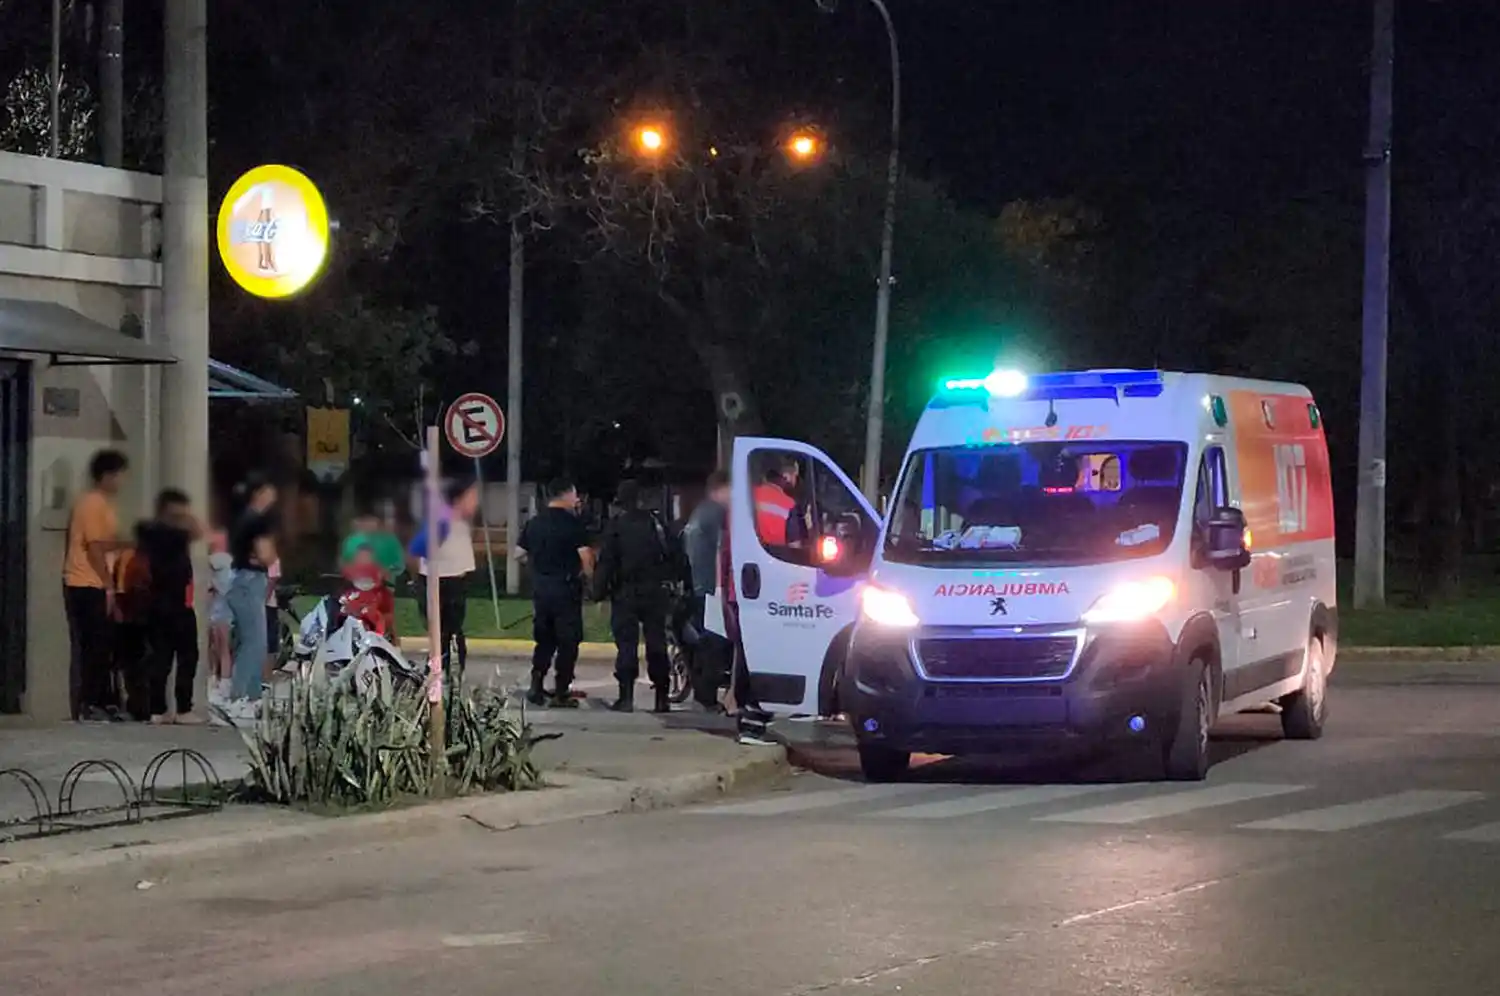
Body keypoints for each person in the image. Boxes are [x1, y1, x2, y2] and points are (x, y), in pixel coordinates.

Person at [594, 480, 678, 713]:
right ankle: (662, 697)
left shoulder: (616, 526)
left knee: (627, 645)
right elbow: (676, 555)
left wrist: (598, 592)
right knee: (657, 643)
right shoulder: (657, 524)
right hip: (655, 592)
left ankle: (626, 697)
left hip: (626, 593)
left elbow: (606, 563)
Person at [63, 450, 129, 722]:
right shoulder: (92, 503)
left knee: (104, 644)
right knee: (94, 644)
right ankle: (90, 703)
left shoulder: (104, 504)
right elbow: (96, 547)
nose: (122, 482)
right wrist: (108, 585)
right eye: (120, 476)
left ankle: (103, 700)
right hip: (86, 582)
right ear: (107, 475)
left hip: (95, 582)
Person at [517, 478, 593, 708]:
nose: (577, 499)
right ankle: (561, 691)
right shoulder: (574, 524)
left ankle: (536, 686)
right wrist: (588, 578)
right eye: (575, 494)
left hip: (542, 589)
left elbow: (518, 554)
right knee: (568, 641)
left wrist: (537, 568)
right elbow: (586, 558)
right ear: (565, 495)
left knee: (544, 639)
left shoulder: (534, 523)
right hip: (566, 589)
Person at [136, 489, 204, 724]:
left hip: (159, 603)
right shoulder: (171, 535)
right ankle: (182, 708)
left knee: (162, 657)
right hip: (175, 604)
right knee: (184, 656)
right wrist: (186, 518)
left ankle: (159, 708)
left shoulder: (148, 533)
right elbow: (198, 531)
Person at [414, 479, 479, 685]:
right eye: (472, 497)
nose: (476, 502)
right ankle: (438, 677)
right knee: (445, 634)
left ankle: (444, 675)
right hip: (441, 584)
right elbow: (420, 548)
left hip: (454, 582)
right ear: (459, 499)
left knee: (449, 634)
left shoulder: (458, 521)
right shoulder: (444, 519)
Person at [225, 476, 278, 720]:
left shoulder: (241, 518)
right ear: (259, 494)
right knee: (254, 641)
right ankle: (242, 695)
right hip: (250, 580)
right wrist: (266, 558)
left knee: (255, 639)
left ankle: (252, 695)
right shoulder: (258, 521)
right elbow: (266, 555)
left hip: (241, 579)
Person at [681, 470, 732, 710]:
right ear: (720, 489)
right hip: (711, 587)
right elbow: (721, 552)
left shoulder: (700, 512)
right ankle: (707, 696)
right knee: (714, 644)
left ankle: (702, 693)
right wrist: (721, 587)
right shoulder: (717, 514)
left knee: (704, 643)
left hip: (697, 585)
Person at [206, 529, 234, 707]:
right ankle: (224, 684)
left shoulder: (215, 561)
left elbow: (208, 587)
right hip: (226, 609)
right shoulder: (232, 563)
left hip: (216, 609)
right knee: (224, 649)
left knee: (214, 647)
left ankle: (215, 681)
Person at [753, 457, 800, 548]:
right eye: (795, 476)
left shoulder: (749, 494)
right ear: (786, 476)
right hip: (776, 559)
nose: (795, 481)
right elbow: (795, 547)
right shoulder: (789, 505)